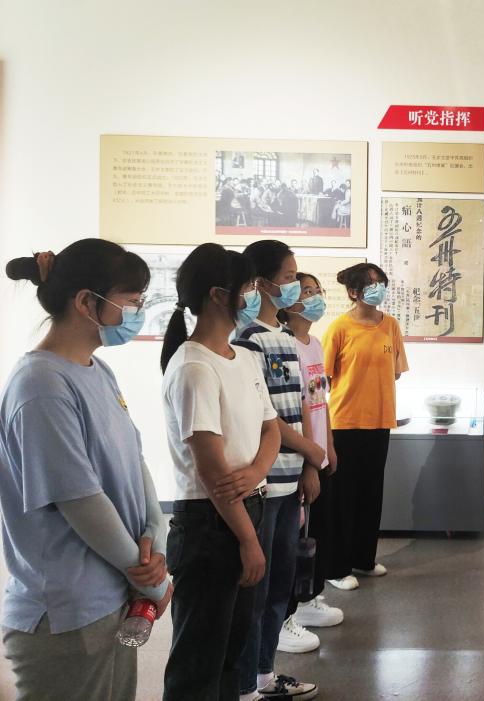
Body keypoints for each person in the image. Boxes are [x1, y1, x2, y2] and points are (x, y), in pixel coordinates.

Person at [1, 240, 171, 701]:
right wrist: (149, 577)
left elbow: (134, 461)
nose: (137, 312)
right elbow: (80, 500)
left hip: (115, 595)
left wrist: (155, 536)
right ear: (85, 302)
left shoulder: (97, 371)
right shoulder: (40, 384)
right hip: (69, 611)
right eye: (131, 301)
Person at [159, 243, 280, 701]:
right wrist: (248, 540)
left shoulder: (242, 357)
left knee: (231, 649)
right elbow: (211, 471)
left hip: (247, 507)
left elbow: (271, 428)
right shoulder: (194, 367)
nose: (254, 296)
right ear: (217, 294)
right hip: (210, 524)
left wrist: (257, 471)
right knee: (199, 661)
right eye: (247, 288)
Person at [233, 241, 322, 701]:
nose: (294, 285)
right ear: (262, 283)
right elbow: (264, 416)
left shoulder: (286, 338)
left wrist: (309, 464)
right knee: (257, 586)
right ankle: (245, 684)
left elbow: (301, 404)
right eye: (288, 277)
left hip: (292, 480)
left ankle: (265, 674)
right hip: (266, 483)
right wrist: (310, 449)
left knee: (281, 585)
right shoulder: (247, 340)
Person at [323, 263, 409, 592]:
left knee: (371, 494)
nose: (378, 288)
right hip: (345, 422)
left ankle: (363, 558)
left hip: (380, 421)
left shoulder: (390, 325)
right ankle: (336, 567)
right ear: (353, 292)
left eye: (380, 283)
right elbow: (324, 378)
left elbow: (396, 371)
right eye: (371, 284)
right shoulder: (339, 328)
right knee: (342, 498)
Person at [280, 273, 344, 632]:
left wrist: (328, 445)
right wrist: (309, 459)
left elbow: (321, 402)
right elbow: (295, 408)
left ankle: (310, 597)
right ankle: (294, 608)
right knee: (298, 534)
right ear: (289, 300)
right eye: (307, 291)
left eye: (318, 291)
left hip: (318, 453)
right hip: (302, 457)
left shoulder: (315, 344)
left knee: (318, 530)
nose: (316, 297)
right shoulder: (285, 345)